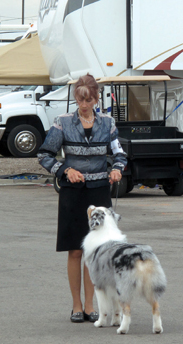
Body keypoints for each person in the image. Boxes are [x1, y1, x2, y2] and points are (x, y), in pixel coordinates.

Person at [38, 74, 127, 323]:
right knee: (75, 251)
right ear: (76, 98)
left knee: (96, 252)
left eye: (88, 100)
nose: (84, 104)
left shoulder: (108, 123)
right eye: (80, 99)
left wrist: (118, 168)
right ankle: (76, 305)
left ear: (96, 98)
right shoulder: (62, 123)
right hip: (72, 192)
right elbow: (44, 155)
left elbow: (119, 153)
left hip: (99, 192)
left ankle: (91, 305)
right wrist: (65, 170)